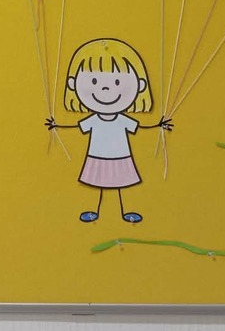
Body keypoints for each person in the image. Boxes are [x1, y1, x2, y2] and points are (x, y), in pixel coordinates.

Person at [46, 38, 172, 223]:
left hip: (120, 156)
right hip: (97, 156)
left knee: (120, 183)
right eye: (94, 81)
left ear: (141, 86)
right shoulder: (95, 119)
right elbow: (77, 127)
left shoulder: (121, 119)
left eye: (117, 82)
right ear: (72, 83)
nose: (105, 88)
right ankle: (95, 210)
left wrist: (159, 125)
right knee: (98, 183)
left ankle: (125, 211)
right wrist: (56, 126)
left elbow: (140, 127)